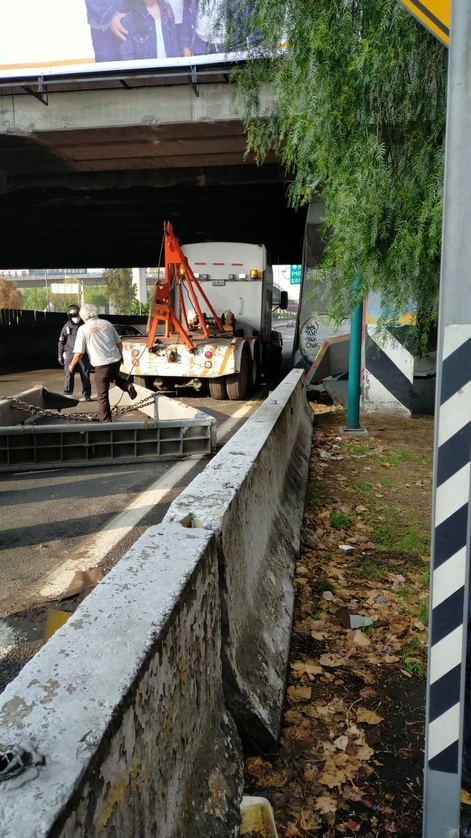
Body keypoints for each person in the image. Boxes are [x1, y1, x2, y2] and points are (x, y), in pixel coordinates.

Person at [69, 304, 137, 423]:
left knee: (102, 396)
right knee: (112, 375)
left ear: (83, 316)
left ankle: (106, 422)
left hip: (101, 365)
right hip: (115, 362)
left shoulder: (83, 329)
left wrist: (71, 365)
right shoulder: (107, 323)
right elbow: (119, 344)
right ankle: (127, 385)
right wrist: (121, 358)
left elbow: (79, 353)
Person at [58, 305, 92, 401]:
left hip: (82, 354)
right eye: (74, 316)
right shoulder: (66, 327)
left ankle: (87, 394)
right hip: (70, 354)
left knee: (85, 374)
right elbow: (61, 341)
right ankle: (67, 394)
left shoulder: (84, 325)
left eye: (78, 316)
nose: (76, 318)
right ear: (70, 317)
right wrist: (60, 355)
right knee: (69, 374)